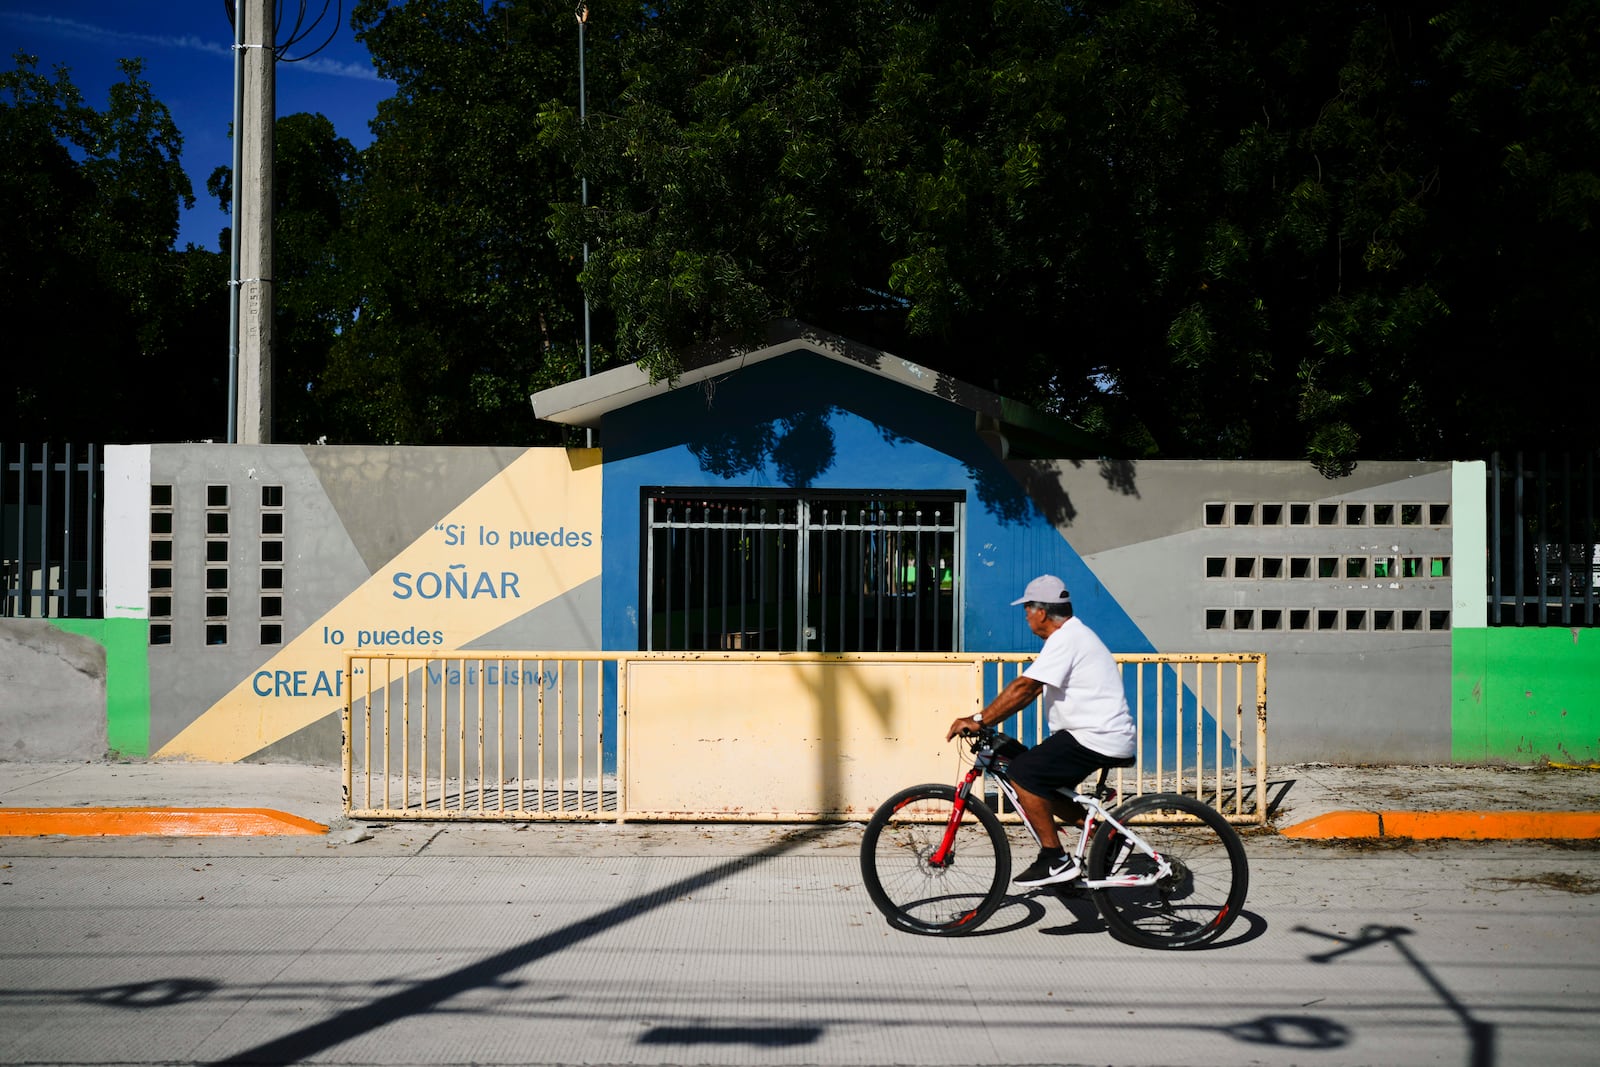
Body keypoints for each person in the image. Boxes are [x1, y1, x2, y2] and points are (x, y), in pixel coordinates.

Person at [945, 574, 1136, 887]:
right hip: (1089, 734)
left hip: (1096, 736)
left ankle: (1055, 859)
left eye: (1027, 609)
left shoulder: (1067, 639)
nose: (1025, 615)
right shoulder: (1069, 637)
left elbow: (1026, 688)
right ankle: (1110, 836)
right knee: (1039, 780)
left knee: (1024, 774)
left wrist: (979, 719)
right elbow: (1030, 689)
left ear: (1042, 612)